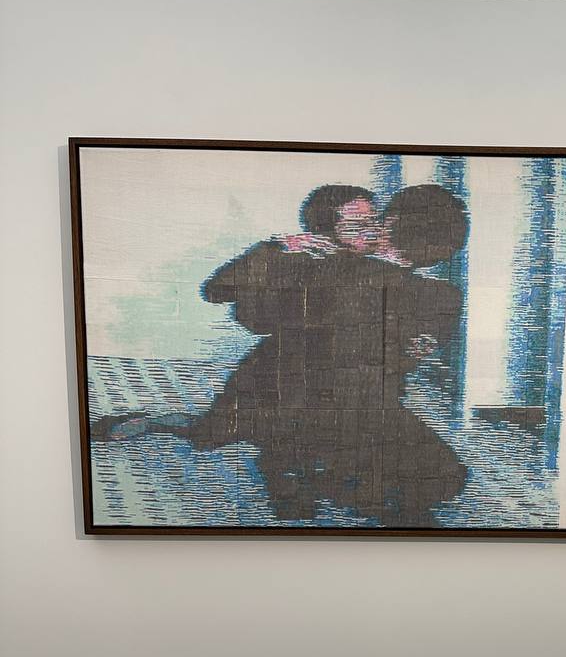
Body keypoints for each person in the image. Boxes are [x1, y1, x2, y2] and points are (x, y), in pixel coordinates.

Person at [93, 182, 470, 527]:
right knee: (223, 437)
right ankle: (288, 464)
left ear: (391, 225)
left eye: (374, 223)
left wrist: (284, 256)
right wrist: (284, 250)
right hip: (284, 393)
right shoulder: (340, 271)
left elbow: (242, 309)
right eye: (358, 226)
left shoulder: (348, 274)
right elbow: (232, 301)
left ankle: (311, 471)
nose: (368, 232)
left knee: (430, 474)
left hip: (352, 405)